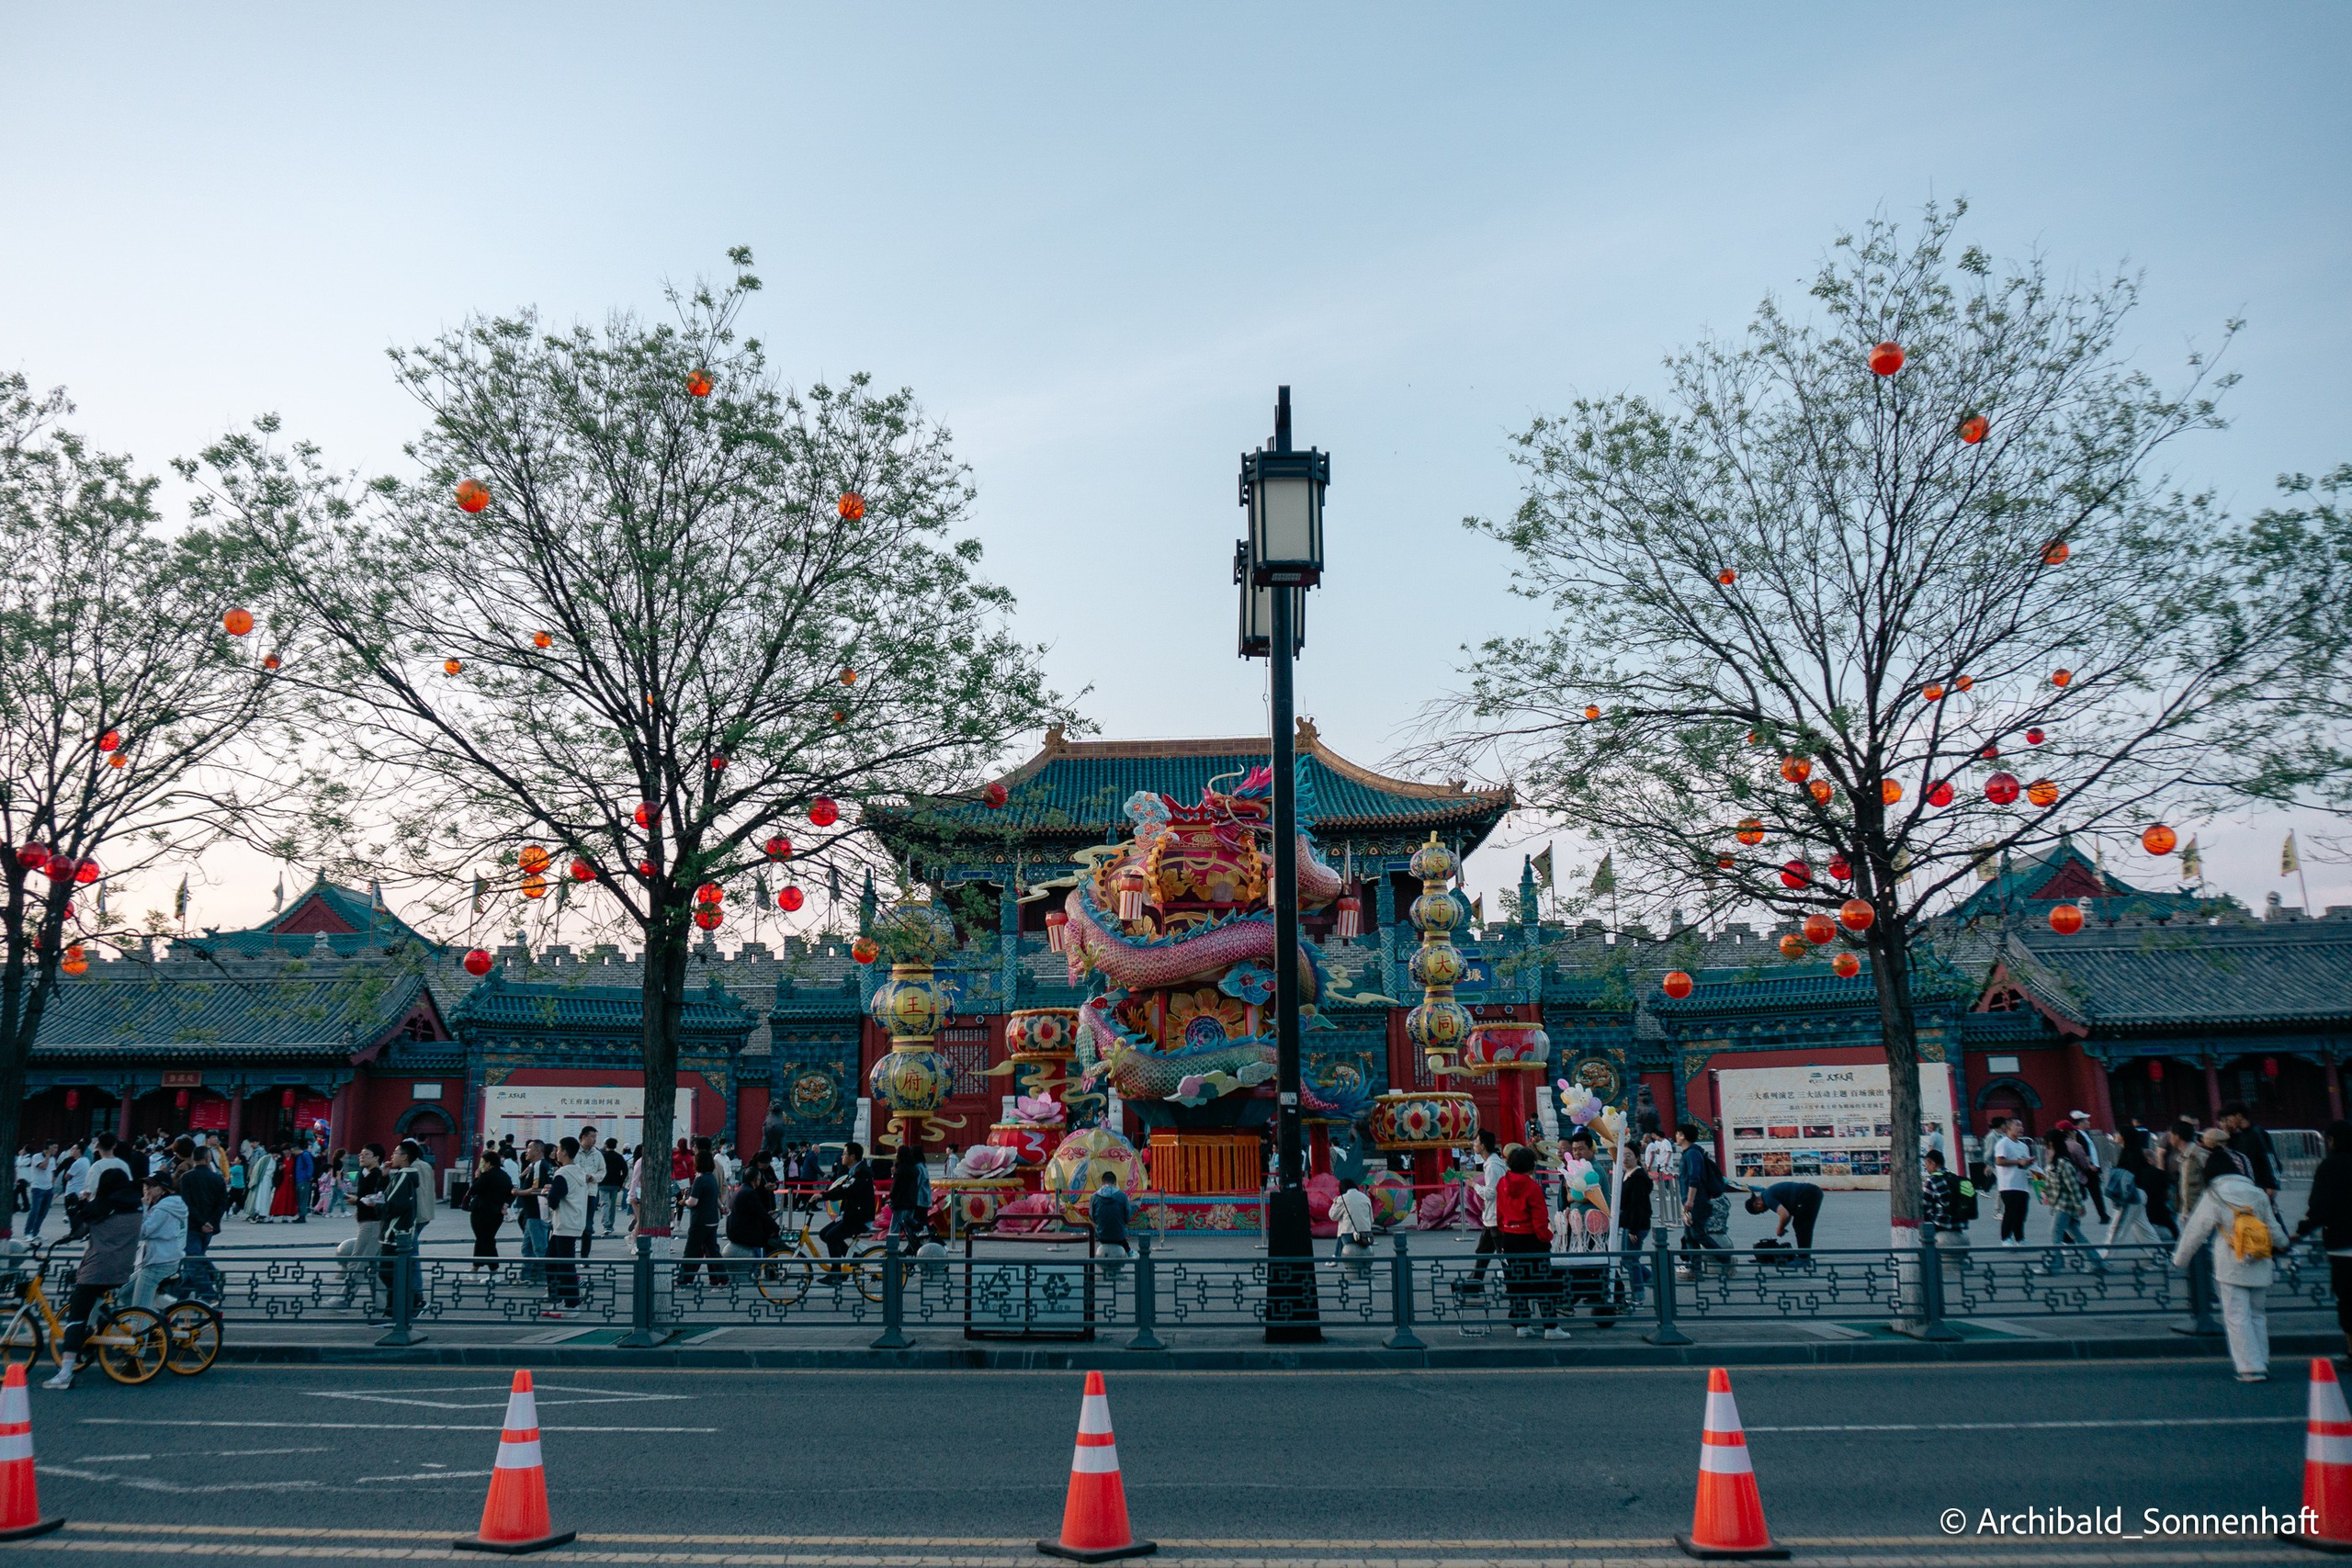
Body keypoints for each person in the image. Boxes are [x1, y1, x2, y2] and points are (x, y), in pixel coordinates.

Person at [2173, 1143, 2290, 1381]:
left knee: (2237, 1317)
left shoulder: (2214, 1195)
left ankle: (2250, 1367)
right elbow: (2273, 1228)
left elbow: (2196, 1231)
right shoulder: (2257, 1193)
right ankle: (2262, 1361)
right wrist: (2285, 1243)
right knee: (2257, 1315)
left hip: (2231, 1263)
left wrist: (2180, 1259)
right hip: (2260, 1261)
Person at [43, 1167, 141, 1389]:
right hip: (122, 1269)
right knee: (95, 1305)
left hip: (96, 1270)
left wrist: (75, 1207)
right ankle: (90, 1342)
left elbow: (78, 1231)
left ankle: (65, 1373)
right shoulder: (136, 1207)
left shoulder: (100, 1208)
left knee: (76, 1319)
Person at [1496, 1145, 1568, 1339]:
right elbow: (1539, 1218)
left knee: (1516, 1282)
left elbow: (1499, 1211)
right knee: (1543, 1282)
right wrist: (1546, 1237)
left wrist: (1504, 1231)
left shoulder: (1502, 1183)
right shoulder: (1532, 1187)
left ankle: (1522, 1324)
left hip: (1510, 1236)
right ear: (1531, 1166)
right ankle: (1551, 1326)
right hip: (1531, 1238)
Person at [2294, 1120, 2352, 1360]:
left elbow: (2320, 1208)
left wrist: (2301, 1231)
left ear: (2332, 1141)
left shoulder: (2330, 1166)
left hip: (2343, 1244)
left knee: (2348, 1298)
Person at [2038, 1127, 2100, 1273]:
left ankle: (2056, 1263)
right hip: (2059, 1203)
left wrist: (2079, 1205)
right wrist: (2046, 1193)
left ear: (2051, 1143)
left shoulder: (2063, 1163)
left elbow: (2073, 1186)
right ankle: (2097, 1262)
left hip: (2065, 1204)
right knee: (2077, 1235)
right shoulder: (2054, 1161)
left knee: (2056, 1233)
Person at [540, 1137, 591, 1314]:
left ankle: (571, 1304)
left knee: (563, 1264)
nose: (556, 1152)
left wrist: (548, 1195)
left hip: (565, 1223)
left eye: (559, 1149)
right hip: (573, 1222)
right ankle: (559, 1299)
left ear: (565, 1152)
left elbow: (554, 1199)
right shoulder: (578, 1171)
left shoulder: (563, 1174)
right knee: (552, 1261)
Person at [176, 1137, 227, 1300]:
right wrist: (211, 1222)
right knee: (195, 1258)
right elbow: (222, 1204)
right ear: (208, 1158)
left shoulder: (187, 1177)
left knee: (193, 1260)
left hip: (192, 1225)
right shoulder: (217, 1178)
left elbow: (187, 1203)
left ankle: (207, 1293)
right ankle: (182, 1295)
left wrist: (201, 1222)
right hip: (209, 1227)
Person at [130, 1172, 187, 1310]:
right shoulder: (171, 1205)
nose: (147, 1189)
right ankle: (161, 1311)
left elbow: (142, 1232)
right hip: (167, 1258)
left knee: (139, 1308)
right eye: (145, 1185)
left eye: (152, 1186)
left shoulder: (162, 1210)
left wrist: (143, 1207)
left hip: (158, 1262)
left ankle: (147, 1321)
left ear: (163, 1189)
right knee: (124, 1293)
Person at [1675, 1123, 1728, 1273]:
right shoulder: (1688, 1153)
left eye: (1678, 1133)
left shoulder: (1693, 1154)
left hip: (1697, 1201)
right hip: (1690, 1201)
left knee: (1697, 1234)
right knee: (1690, 1236)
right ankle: (1695, 1268)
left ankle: (1725, 1258)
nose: (1676, 1136)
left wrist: (1690, 1200)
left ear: (1683, 1136)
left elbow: (1694, 1178)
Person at [2100, 1125, 2161, 1254]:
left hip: (2131, 1195)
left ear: (2124, 1136)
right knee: (2144, 1229)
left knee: (2116, 1228)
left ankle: (2105, 1258)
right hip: (2138, 1193)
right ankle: (2159, 1256)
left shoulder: (2130, 1153)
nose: (2115, 1135)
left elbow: (2130, 1176)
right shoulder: (2134, 1151)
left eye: (2118, 1133)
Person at [1462, 1130, 1506, 1289]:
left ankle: (1513, 1286)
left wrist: (1474, 1185)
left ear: (1483, 1146)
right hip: (1490, 1217)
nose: (1474, 1145)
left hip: (1495, 1216)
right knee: (1483, 1251)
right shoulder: (1491, 1163)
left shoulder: (1493, 1166)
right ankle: (1474, 1283)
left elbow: (1490, 1193)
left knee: (1503, 1254)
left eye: (1476, 1142)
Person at [724, 1164, 780, 1282]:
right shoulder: (749, 1192)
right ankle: (770, 1273)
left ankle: (764, 1270)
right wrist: (776, 1227)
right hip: (741, 1233)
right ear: (756, 1180)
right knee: (771, 1240)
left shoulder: (741, 1190)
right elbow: (761, 1214)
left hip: (735, 1230)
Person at [818, 1142, 874, 1258]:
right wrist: (823, 1195)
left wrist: (823, 1196)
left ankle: (836, 1269)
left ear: (852, 1157)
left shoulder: (862, 1173)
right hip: (850, 1215)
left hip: (859, 1218)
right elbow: (841, 1187)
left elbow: (847, 1190)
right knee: (823, 1234)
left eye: (844, 1154)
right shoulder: (853, 1172)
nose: (842, 1157)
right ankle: (854, 1259)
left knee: (831, 1237)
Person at [2218, 1101, 2280, 1202]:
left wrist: (2272, 1185)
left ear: (2238, 1116)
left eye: (2229, 1119)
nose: (2228, 1123)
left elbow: (2270, 1158)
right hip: (2246, 1184)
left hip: (2261, 1184)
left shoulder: (2257, 1133)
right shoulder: (2238, 1136)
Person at [677, 1148, 723, 1284]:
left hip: (700, 1221)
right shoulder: (711, 1178)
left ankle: (683, 1280)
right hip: (712, 1220)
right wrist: (722, 1207)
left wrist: (684, 1201)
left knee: (690, 1251)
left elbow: (693, 1202)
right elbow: (714, 1197)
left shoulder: (700, 1180)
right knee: (713, 1252)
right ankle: (722, 1279)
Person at [1744, 1179, 1824, 1252]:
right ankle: (1804, 1255)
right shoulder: (1767, 1194)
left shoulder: (1768, 1199)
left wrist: (1780, 1229)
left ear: (1757, 1205)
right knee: (1799, 1224)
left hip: (1809, 1194)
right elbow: (1786, 1214)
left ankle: (1804, 1257)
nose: (1763, 1212)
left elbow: (1785, 1215)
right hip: (1811, 1192)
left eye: (1760, 1211)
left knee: (1801, 1225)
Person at [1991, 1116, 2034, 1246]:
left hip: (2022, 1184)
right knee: (2011, 1211)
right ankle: (2006, 1238)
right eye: (2017, 1125)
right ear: (2009, 1127)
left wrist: (2029, 1164)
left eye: (2021, 1126)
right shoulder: (2003, 1143)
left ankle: (2020, 1238)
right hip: (2008, 1184)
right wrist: (2018, 1162)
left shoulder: (2023, 1146)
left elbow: (2024, 1162)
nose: (2021, 1128)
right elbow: (1999, 1161)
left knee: (2021, 1212)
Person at [468, 1150, 513, 1271]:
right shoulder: (505, 1176)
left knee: (486, 1240)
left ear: (488, 1163)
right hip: (497, 1213)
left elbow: (474, 1190)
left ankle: (494, 1269)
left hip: (481, 1211)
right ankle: (475, 1267)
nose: (482, 1164)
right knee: (484, 1238)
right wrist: (506, 1205)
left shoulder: (487, 1175)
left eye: (483, 1162)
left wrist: (477, 1178)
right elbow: (511, 1192)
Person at [1921, 1149, 1968, 1257]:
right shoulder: (1956, 1179)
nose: (1926, 1168)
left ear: (1933, 1164)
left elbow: (1924, 1206)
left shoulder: (1932, 1181)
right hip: (1959, 1226)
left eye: (1927, 1164)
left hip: (1941, 1227)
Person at [1328, 1176, 1374, 1277]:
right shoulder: (1365, 1198)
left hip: (1350, 1237)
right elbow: (1371, 1219)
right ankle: (1336, 1257)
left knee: (1343, 1228)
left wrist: (1335, 1203)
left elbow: (1332, 1216)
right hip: (1366, 1236)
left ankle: (1336, 1257)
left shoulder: (1342, 1199)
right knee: (1346, 1223)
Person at [888, 1146, 928, 1247]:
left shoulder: (901, 1169)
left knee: (895, 1228)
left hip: (900, 1202)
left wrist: (892, 1197)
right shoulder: (915, 1169)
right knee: (909, 1226)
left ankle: (892, 1249)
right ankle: (913, 1246)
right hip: (911, 1202)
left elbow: (895, 1187)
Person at [598, 1138, 628, 1237]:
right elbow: (625, 1171)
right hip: (615, 1184)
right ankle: (610, 1224)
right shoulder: (619, 1157)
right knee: (612, 1205)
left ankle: (605, 1224)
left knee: (604, 1204)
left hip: (603, 1183)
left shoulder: (602, 1156)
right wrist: (620, 1182)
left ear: (606, 1145)